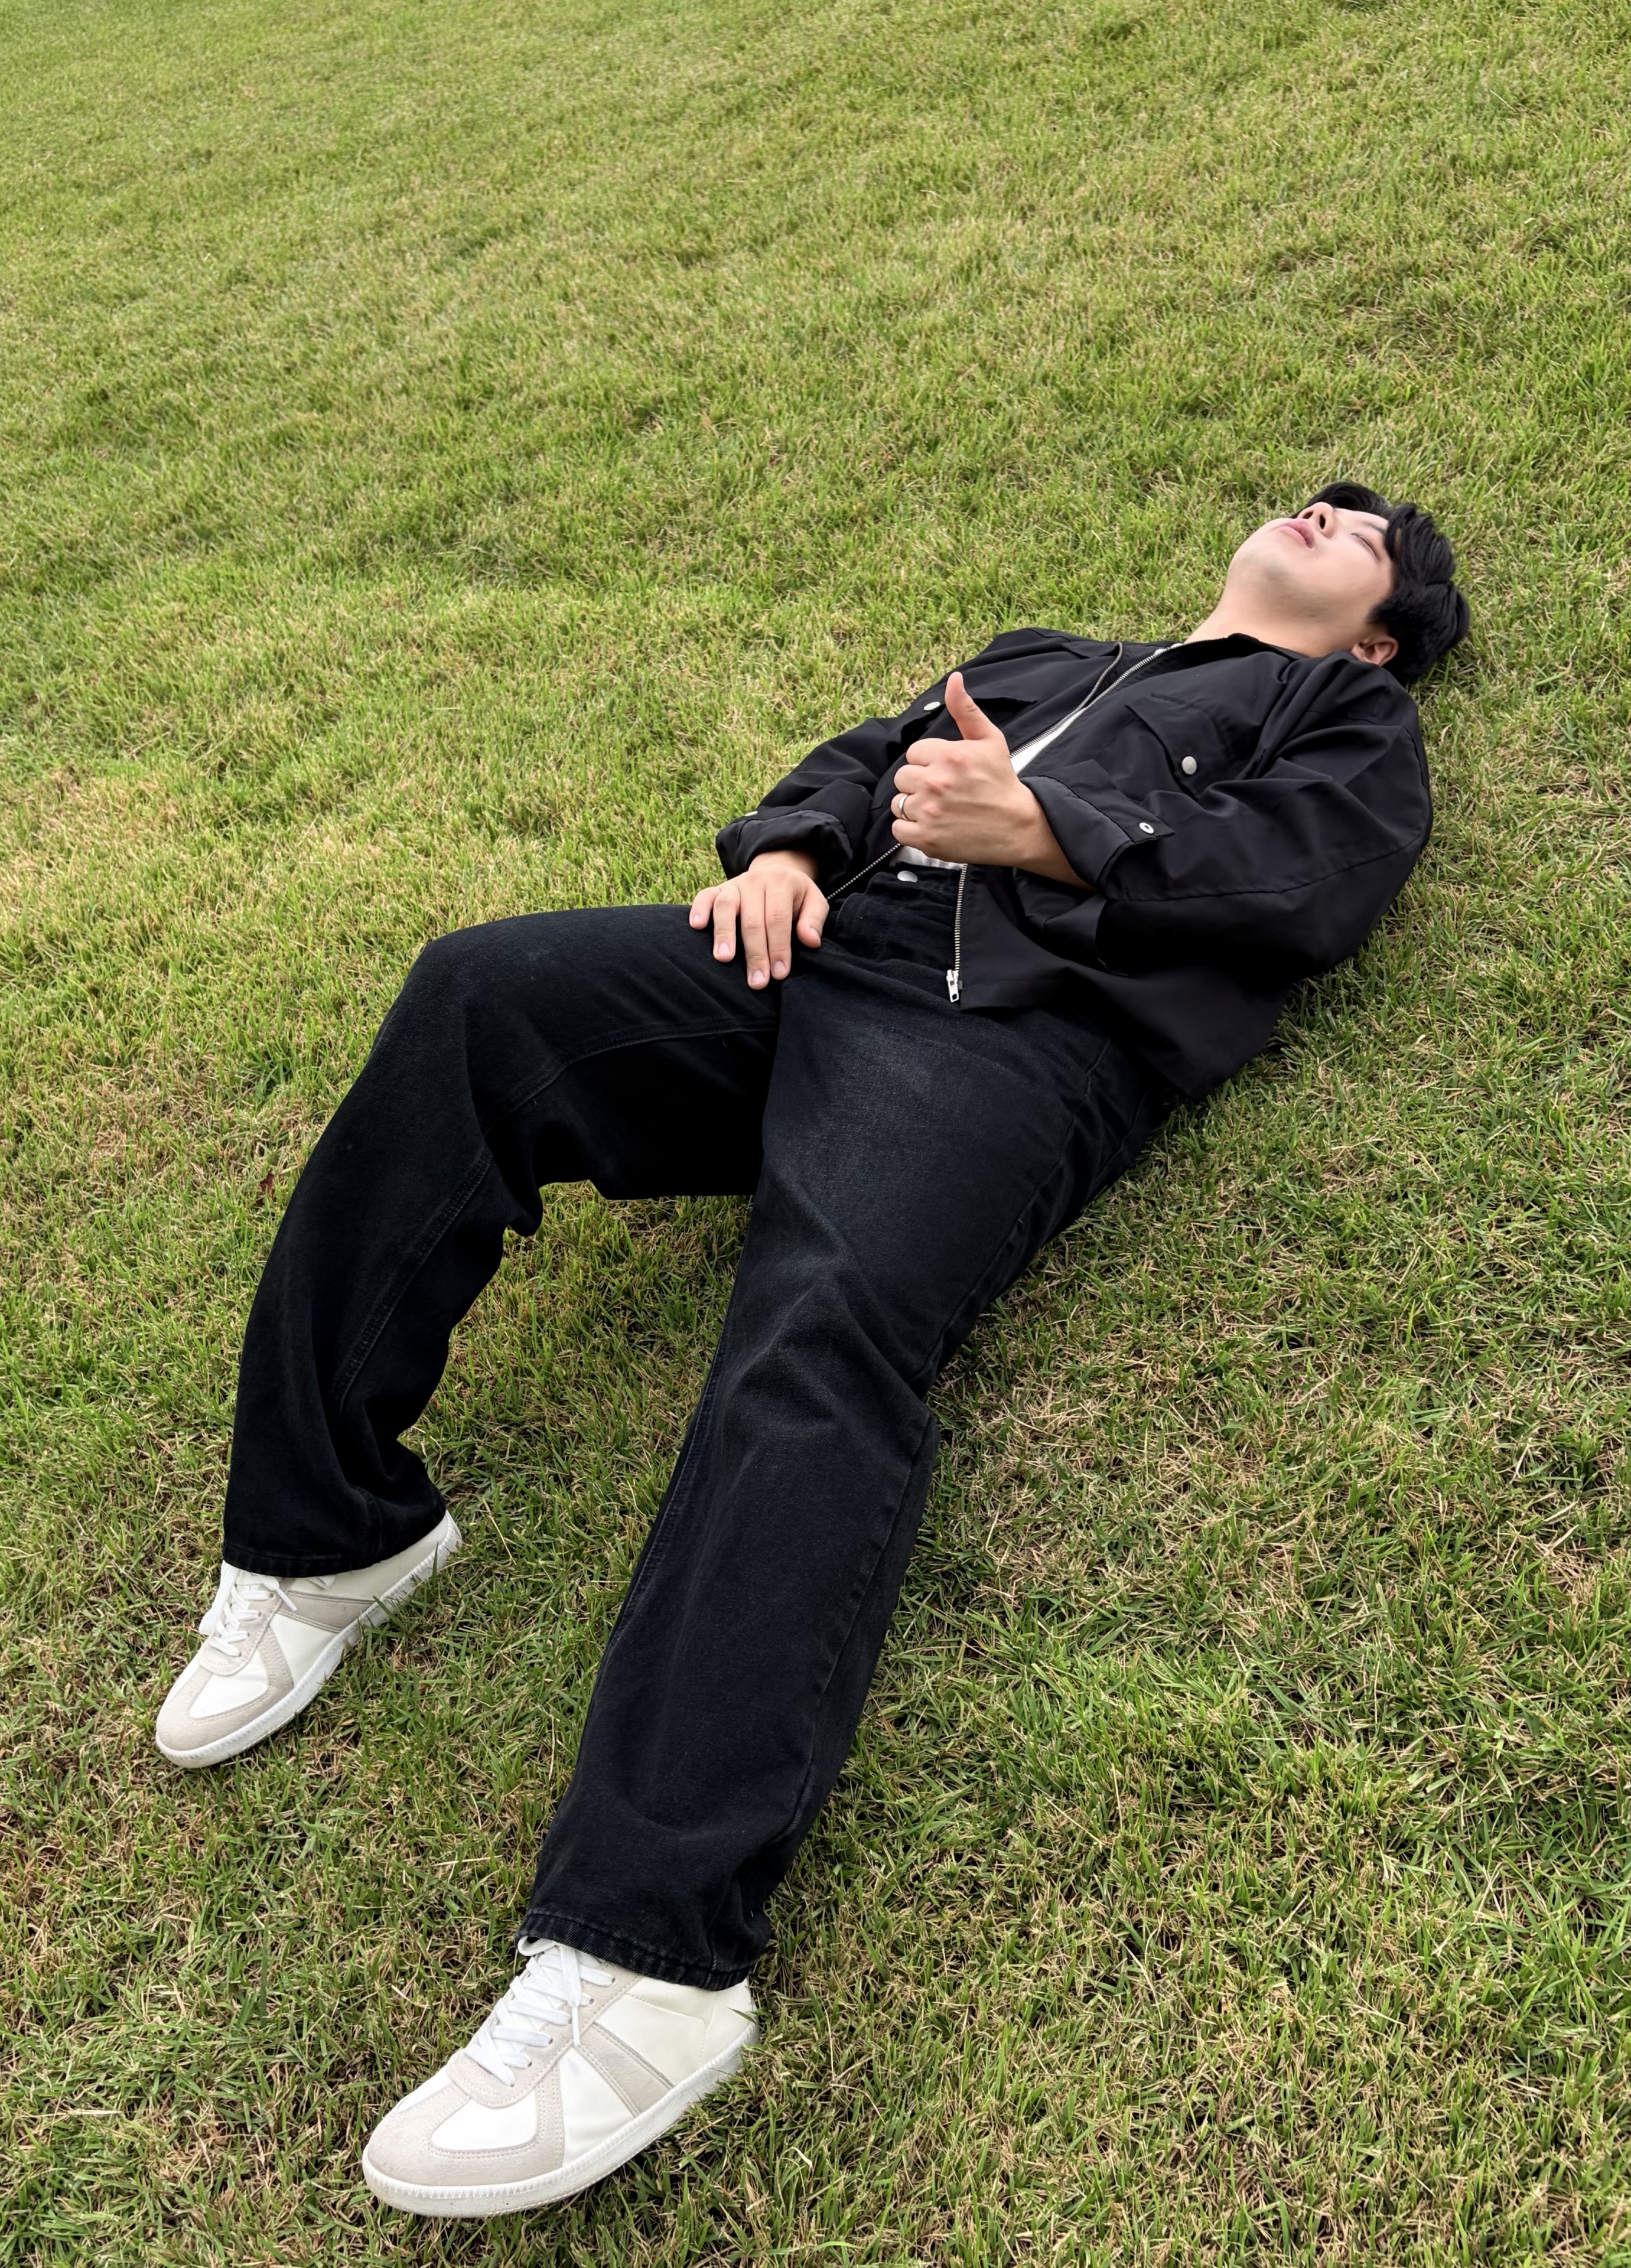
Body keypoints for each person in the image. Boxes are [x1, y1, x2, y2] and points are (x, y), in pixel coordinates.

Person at [155, 482, 1469, 2217]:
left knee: (820, 1323)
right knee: (479, 994)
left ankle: (648, 1963)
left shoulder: (1348, 722)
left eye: (1363, 531)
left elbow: (1302, 885)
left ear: (1376, 635)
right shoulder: (1054, 655)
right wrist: (786, 850)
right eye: (1318, 495)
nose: (1326, 509)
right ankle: (330, 1537)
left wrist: (1049, 831)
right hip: (817, 955)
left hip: (1006, 1032)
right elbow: (868, 757)